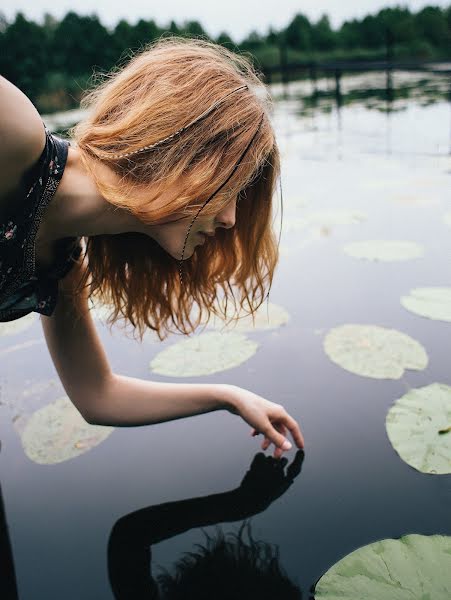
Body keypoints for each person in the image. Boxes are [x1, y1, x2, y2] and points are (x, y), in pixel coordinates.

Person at [0, 36, 304, 459]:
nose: (232, 219)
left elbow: (97, 396)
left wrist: (229, 396)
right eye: (232, 186)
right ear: (187, 153)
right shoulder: (13, 134)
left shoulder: (62, 266)